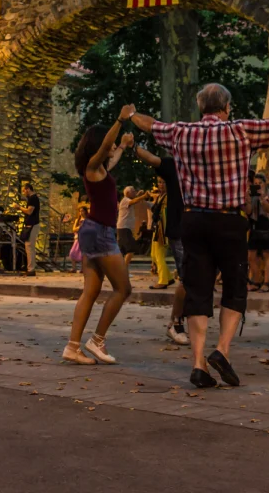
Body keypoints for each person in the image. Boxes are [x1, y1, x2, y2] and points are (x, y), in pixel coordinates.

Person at [129, 83, 269, 388]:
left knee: (197, 289)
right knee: (235, 287)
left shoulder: (181, 132)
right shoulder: (242, 130)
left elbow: (150, 124)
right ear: (227, 108)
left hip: (194, 220)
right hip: (230, 221)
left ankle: (198, 362)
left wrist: (131, 113)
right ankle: (222, 350)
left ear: (201, 108)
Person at [62, 115, 133, 366]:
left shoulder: (98, 168)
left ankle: (72, 347)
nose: (111, 147)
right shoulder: (92, 166)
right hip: (101, 232)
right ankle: (97, 340)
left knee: (90, 291)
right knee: (123, 289)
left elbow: (111, 156)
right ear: (98, 144)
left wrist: (123, 145)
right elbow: (105, 148)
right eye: (109, 143)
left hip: (91, 231)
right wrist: (120, 121)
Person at [133, 144, 189, 345]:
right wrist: (132, 145)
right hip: (180, 231)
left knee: (199, 279)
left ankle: (187, 321)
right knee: (187, 278)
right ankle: (176, 323)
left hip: (203, 228)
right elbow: (152, 158)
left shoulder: (206, 167)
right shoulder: (175, 166)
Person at [246, 172, 269, 293]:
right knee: (251, 256)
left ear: (265, 183)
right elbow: (249, 212)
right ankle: (257, 280)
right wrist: (247, 199)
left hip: (267, 225)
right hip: (255, 225)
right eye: (255, 184)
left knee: (266, 255)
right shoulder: (252, 195)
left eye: (260, 183)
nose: (258, 185)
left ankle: (266, 283)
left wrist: (262, 198)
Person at [116, 186, 148, 267]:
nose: (135, 193)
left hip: (125, 228)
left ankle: (121, 269)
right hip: (124, 228)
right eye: (133, 191)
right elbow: (134, 201)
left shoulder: (127, 200)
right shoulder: (125, 200)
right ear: (127, 193)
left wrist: (138, 195)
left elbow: (134, 199)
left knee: (122, 251)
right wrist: (143, 196)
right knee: (131, 249)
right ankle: (124, 269)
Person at [12, 183, 40, 276]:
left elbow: (29, 211)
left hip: (33, 224)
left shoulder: (33, 198)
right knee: (28, 247)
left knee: (29, 247)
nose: (23, 193)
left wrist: (18, 207)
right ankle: (30, 267)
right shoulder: (32, 198)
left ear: (28, 189)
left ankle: (31, 269)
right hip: (30, 224)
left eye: (24, 190)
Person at [69, 206, 88, 272]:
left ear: (85, 211)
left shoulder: (88, 220)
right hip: (77, 238)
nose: (81, 212)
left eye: (82, 211)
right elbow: (74, 229)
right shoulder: (77, 220)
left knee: (82, 253)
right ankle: (74, 268)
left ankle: (82, 269)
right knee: (72, 252)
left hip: (84, 238)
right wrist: (80, 227)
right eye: (80, 211)